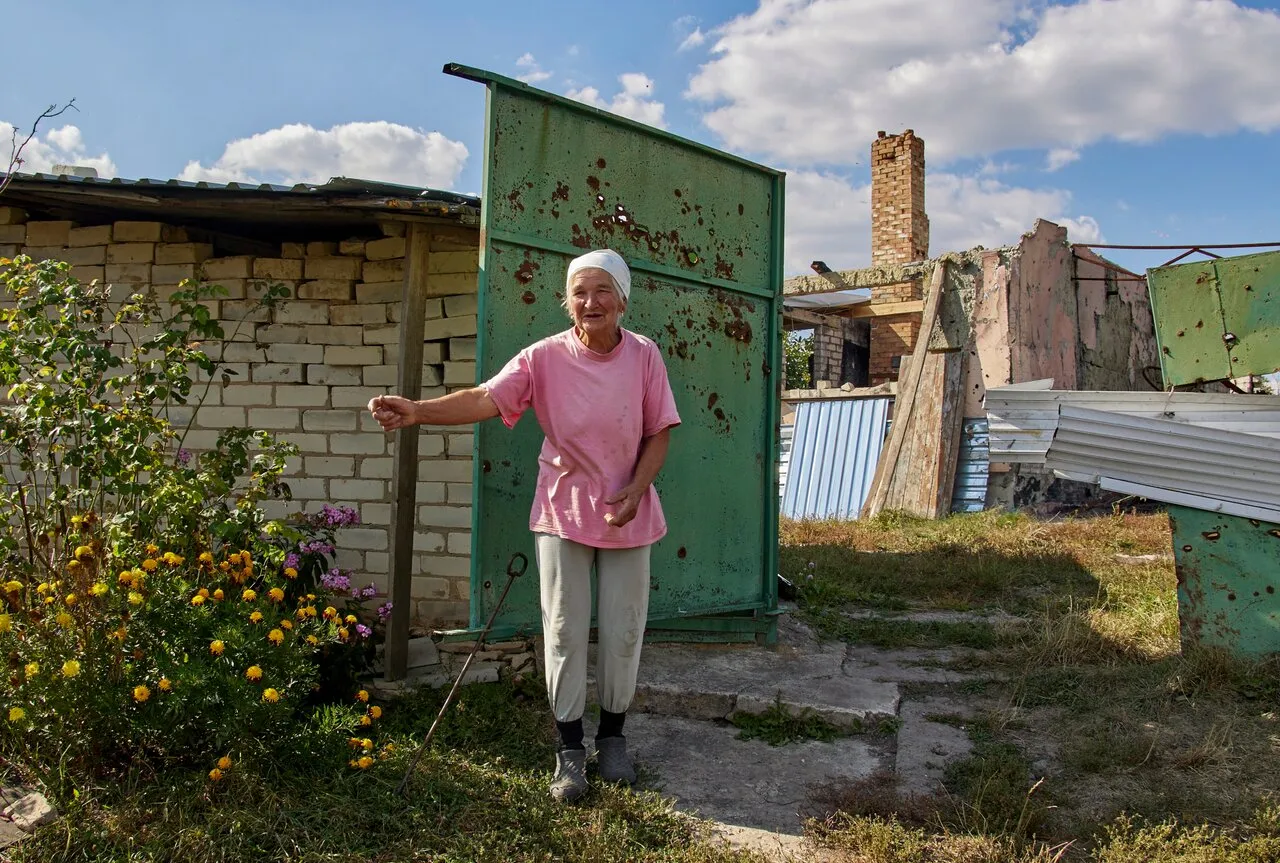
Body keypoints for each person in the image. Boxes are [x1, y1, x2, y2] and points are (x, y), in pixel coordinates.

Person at [368, 248, 681, 802]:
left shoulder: (644, 356)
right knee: (562, 630)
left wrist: (636, 488)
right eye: (580, 292)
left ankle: (612, 741)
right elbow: (485, 398)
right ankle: (569, 752)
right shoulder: (544, 358)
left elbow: (660, 431)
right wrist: (417, 410)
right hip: (563, 511)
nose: (591, 302)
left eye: (603, 291)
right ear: (567, 301)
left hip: (629, 510)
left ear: (623, 300)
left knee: (623, 629)